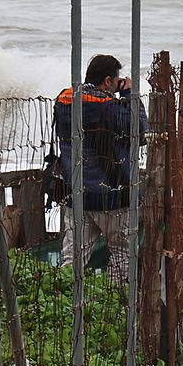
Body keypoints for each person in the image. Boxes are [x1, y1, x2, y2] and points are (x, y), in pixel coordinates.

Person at [53, 54, 145, 284]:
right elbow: (140, 130)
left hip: (78, 193)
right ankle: (117, 306)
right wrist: (129, 95)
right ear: (107, 81)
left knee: (72, 259)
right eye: (115, 81)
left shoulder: (64, 101)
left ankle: (65, 303)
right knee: (123, 256)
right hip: (112, 196)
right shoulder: (109, 108)